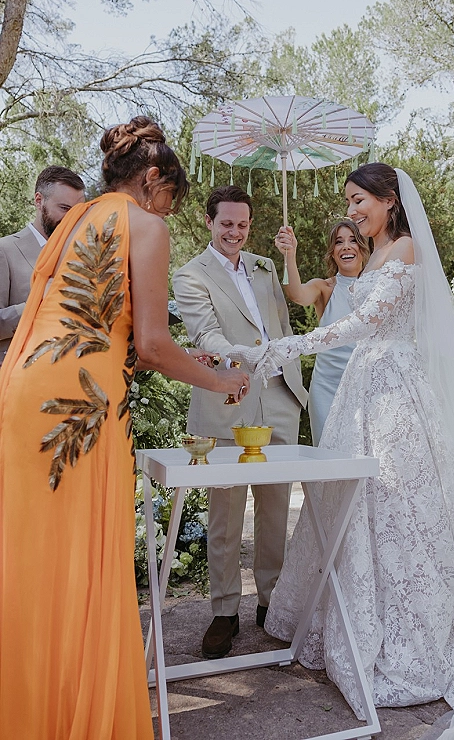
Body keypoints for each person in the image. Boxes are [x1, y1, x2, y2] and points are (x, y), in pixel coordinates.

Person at [231, 163, 454, 740]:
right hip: (364, 389)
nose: (354, 211)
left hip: (393, 391)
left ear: (390, 200)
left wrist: (276, 349)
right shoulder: (378, 253)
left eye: (360, 200)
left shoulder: (407, 250)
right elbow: (340, 311)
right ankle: (354, 610)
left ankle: (413, 625)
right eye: (349, 201)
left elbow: (363, 324)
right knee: (356, 505)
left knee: (402, 506)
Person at [0, 118, 249, 740]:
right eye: (171, 198)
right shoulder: (145, 223)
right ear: (152, 179)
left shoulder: (76, 219)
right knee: (80, 551)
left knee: (35, 550)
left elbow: (98, 320)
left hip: (28, 385)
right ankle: (77, 717)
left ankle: (32, 705)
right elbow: (157, 345)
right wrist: (222, 381)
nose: (170, 211)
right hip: (83, 399)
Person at [173, 185, 308, 659]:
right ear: (210, 222)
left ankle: (271, 604)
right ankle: (225, 611)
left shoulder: (266, 266)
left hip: (279, 398)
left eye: (242, 224)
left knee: (275, 510)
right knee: (225, 514)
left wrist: (289, 257)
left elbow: (286, 324)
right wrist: (250, 358)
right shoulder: (189, 274)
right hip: (226, 397)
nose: (235, 232)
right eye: (227, 223)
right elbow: (204, 334)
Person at [274, 218, 369, 444]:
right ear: (333, 253)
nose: (346, 246)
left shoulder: (377, 287)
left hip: (364, 382)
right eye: (339, 242)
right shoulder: (324, 288)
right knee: (329, 451)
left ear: (363, 248)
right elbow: (297, 294)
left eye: (352, 240)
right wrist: (290, 254)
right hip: (327, 385)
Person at [0, 165, 86, 363]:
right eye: (64, 208)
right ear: (39, 201)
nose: (70, 218)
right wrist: (38, 302)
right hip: (14, 378)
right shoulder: (4, 250)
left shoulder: (82, 258)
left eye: (77, 212)